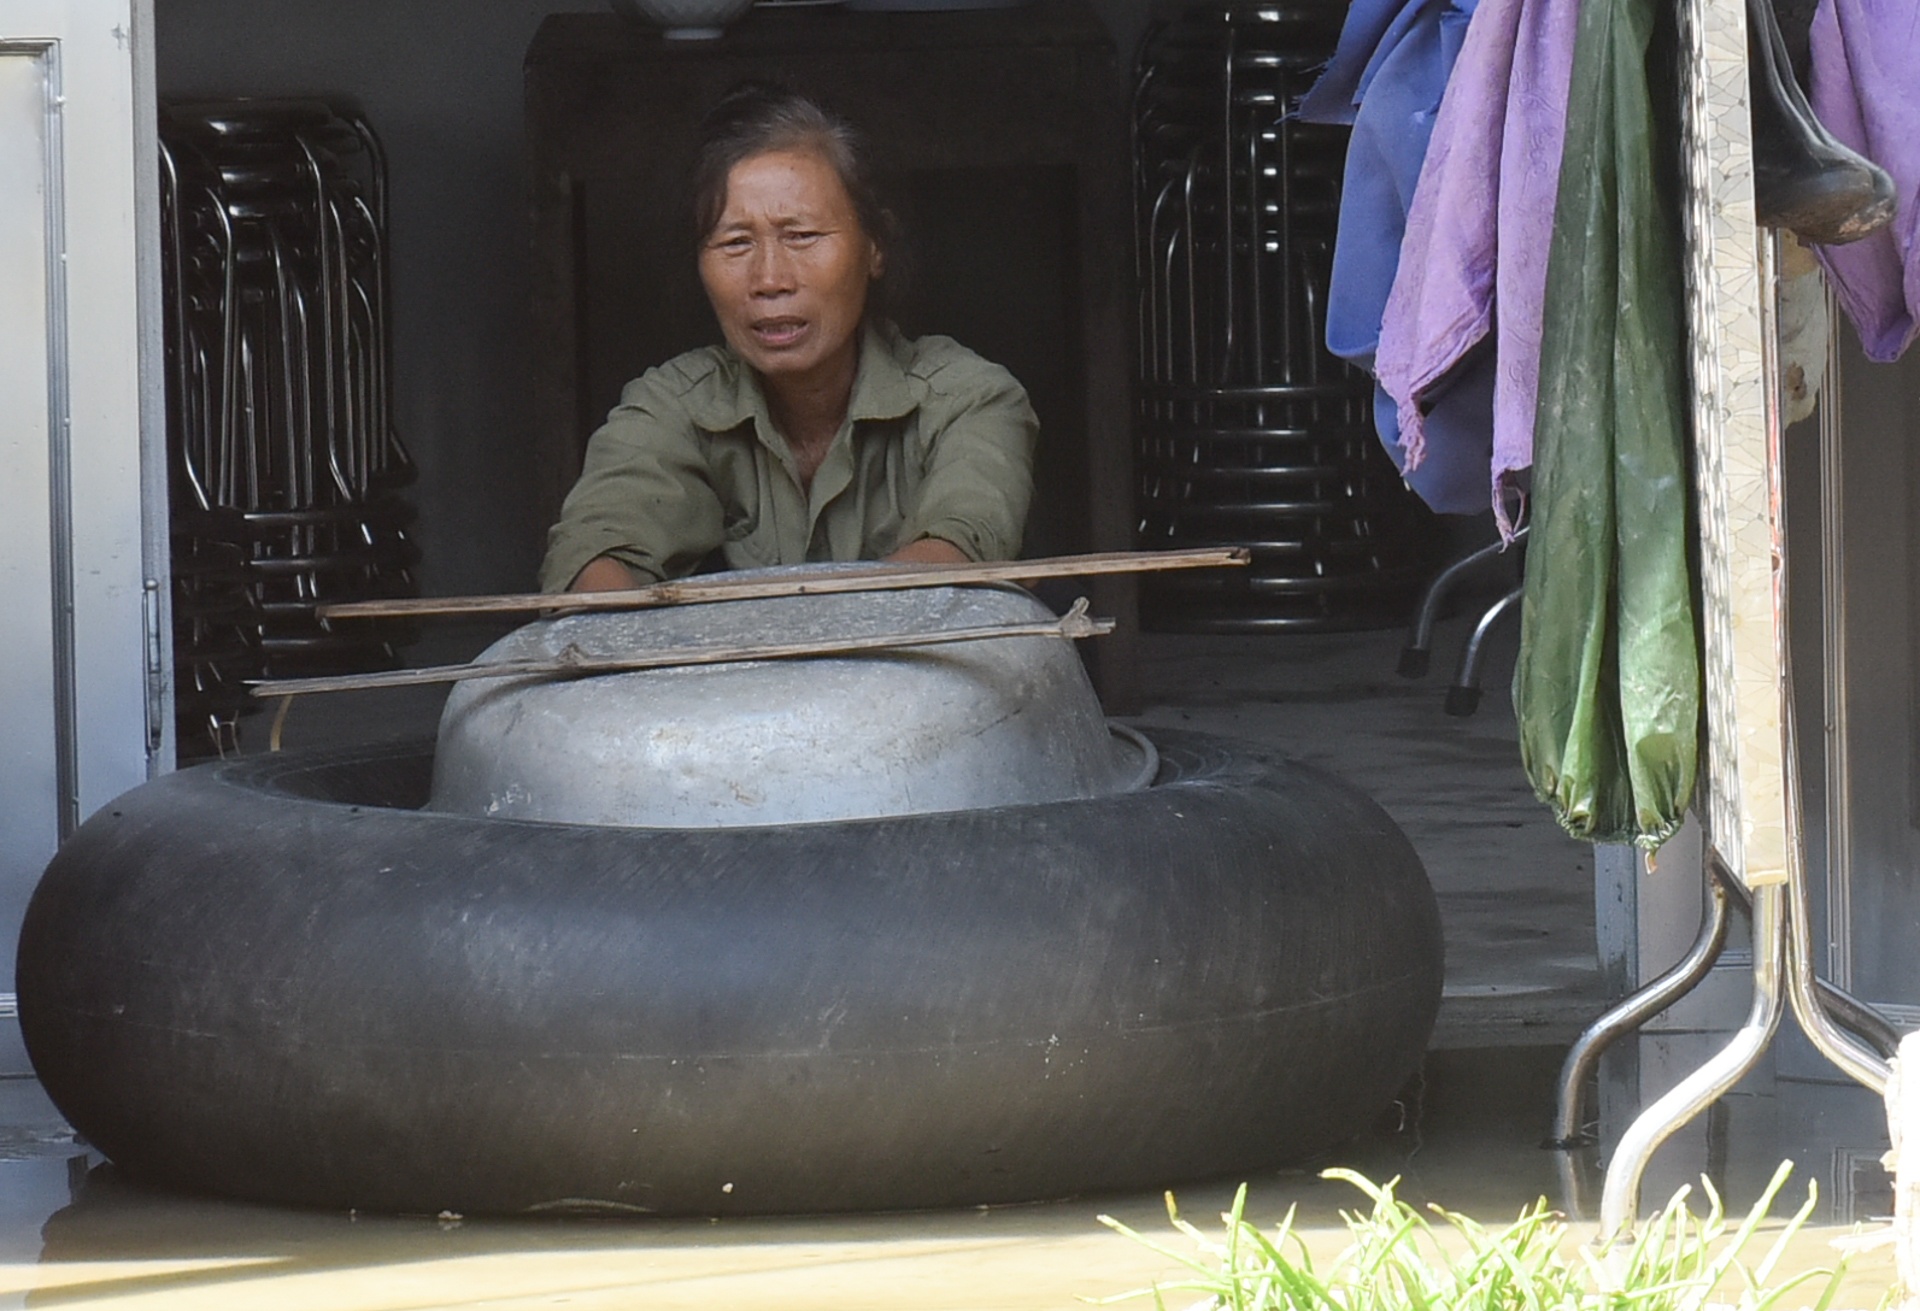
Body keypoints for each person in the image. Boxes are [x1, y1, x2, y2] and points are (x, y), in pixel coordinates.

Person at [539, 84, 1039, 594]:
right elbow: (594, 565)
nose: (770, 279)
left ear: (874, 248)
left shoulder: (970, 399)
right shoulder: (668, 407)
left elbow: (962, 555)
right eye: (735, 243)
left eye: (801, 236)